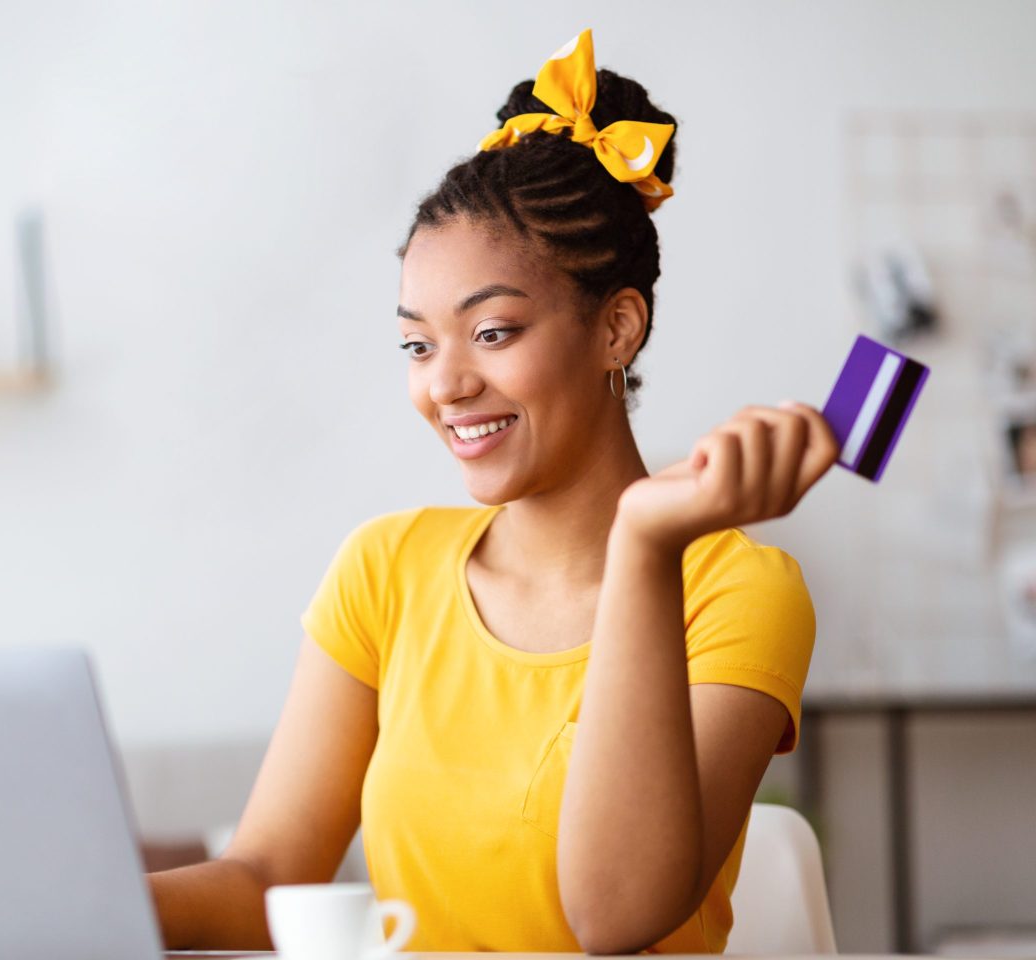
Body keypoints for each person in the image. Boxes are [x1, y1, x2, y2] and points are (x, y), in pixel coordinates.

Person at [146, 27, 839, 955]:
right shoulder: (384, 570)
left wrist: (643, 542)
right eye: (417, 344)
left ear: (617, 329)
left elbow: (616, 916)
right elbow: (269, 879)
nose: (446, 384)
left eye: (495, 332)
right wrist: (63, 901)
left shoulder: (738, 592)